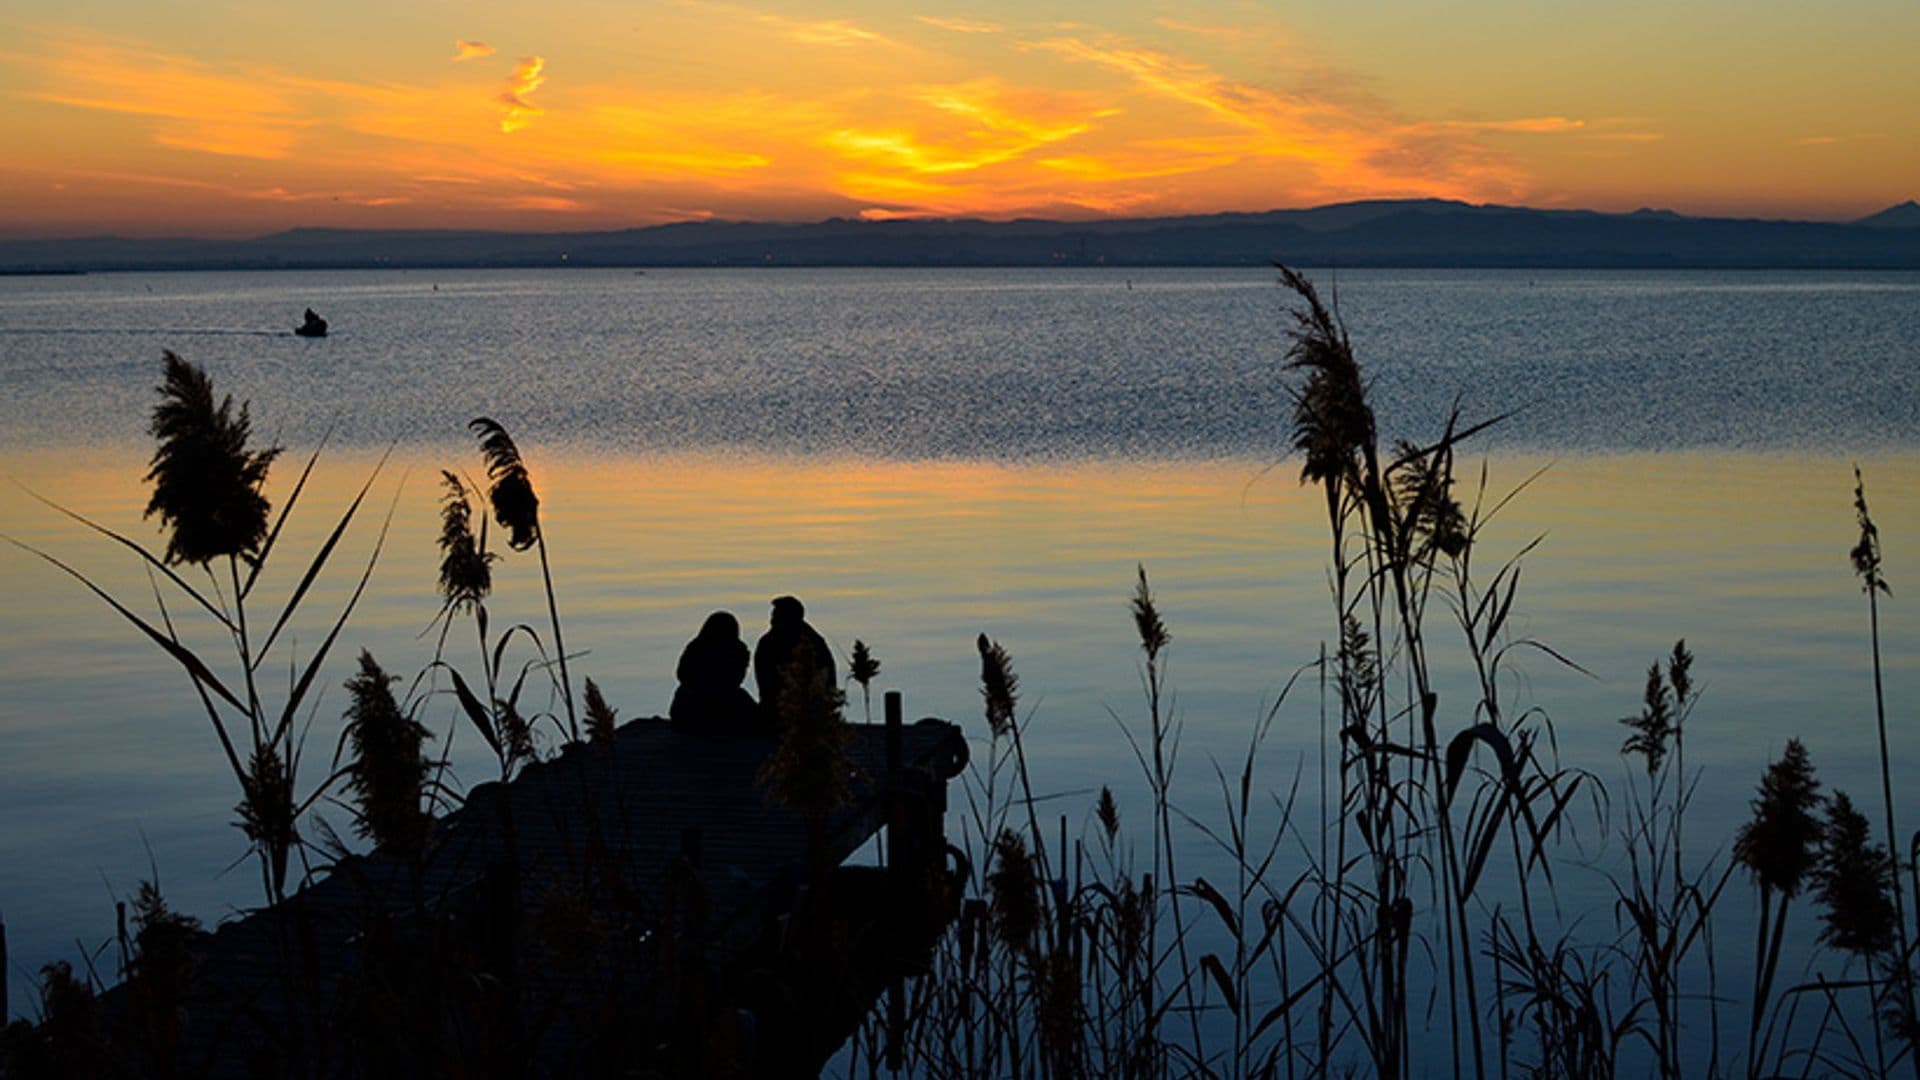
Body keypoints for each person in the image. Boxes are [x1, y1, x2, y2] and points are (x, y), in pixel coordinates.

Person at [669, 611, 760, 730]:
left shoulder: (696, 646)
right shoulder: (737, 650)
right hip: (706, 699)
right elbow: (736, 679)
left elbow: (682, 674)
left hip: (693, 701)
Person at [753, 596, 835, 724]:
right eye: (773, 616)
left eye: (777, 616)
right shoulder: (768, 643)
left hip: (809, 716)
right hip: (776, 712)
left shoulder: (813, 645)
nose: (772, 621)